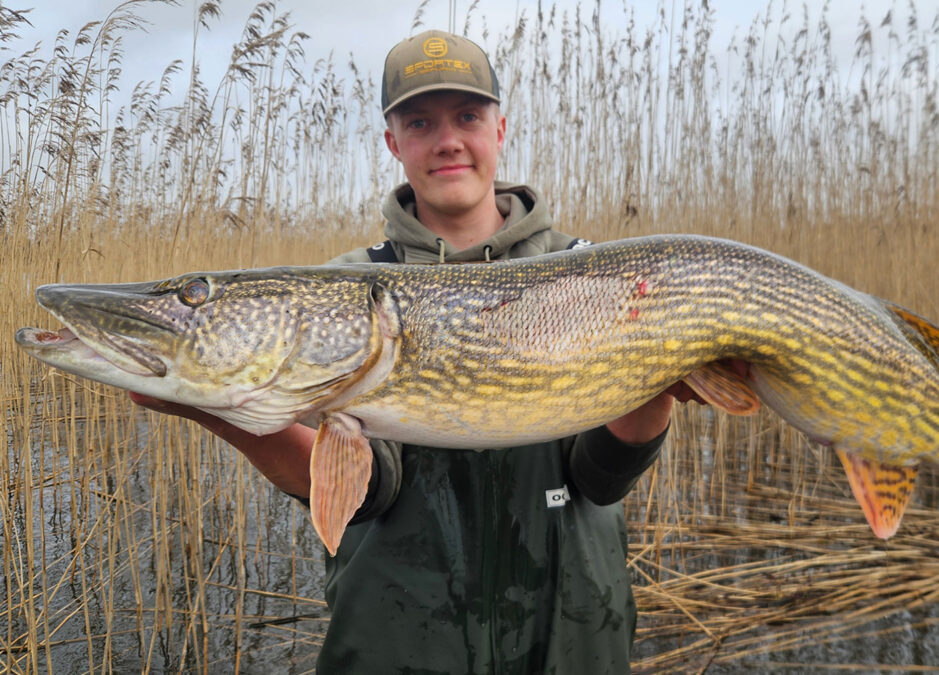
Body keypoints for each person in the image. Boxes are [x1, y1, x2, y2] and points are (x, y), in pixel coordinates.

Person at [133, 30, 692, 673]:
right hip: (401, 641)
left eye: (468, 116)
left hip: (569, 633)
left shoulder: (590, 274)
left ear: (499, 128)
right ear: (394, 143)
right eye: (421, 121)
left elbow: (600, 479)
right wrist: (222, 410)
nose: (448, 139)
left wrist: (660, 389)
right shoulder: (345, 286)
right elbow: (369, 493)